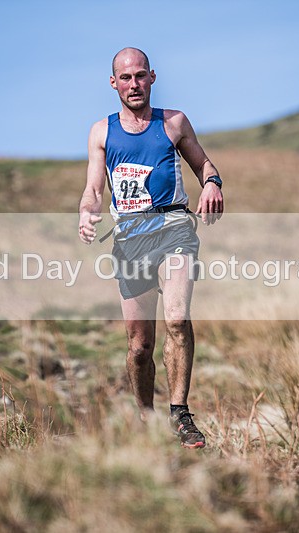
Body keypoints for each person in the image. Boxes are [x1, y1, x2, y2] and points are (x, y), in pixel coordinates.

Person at [78, 47, 224, 448]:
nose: (134, 84)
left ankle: (180, 415)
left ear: (152, 77)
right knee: (140, 347)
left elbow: (204, 165)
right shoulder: (101, 132)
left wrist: (212, 184)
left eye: (140, 75)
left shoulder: (174, 123)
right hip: (130, 239)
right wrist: (87, 212)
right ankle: (145, 419)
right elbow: (93, 189)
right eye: (125, 78)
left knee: (176, 319)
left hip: (174, 228)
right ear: (113, 83)